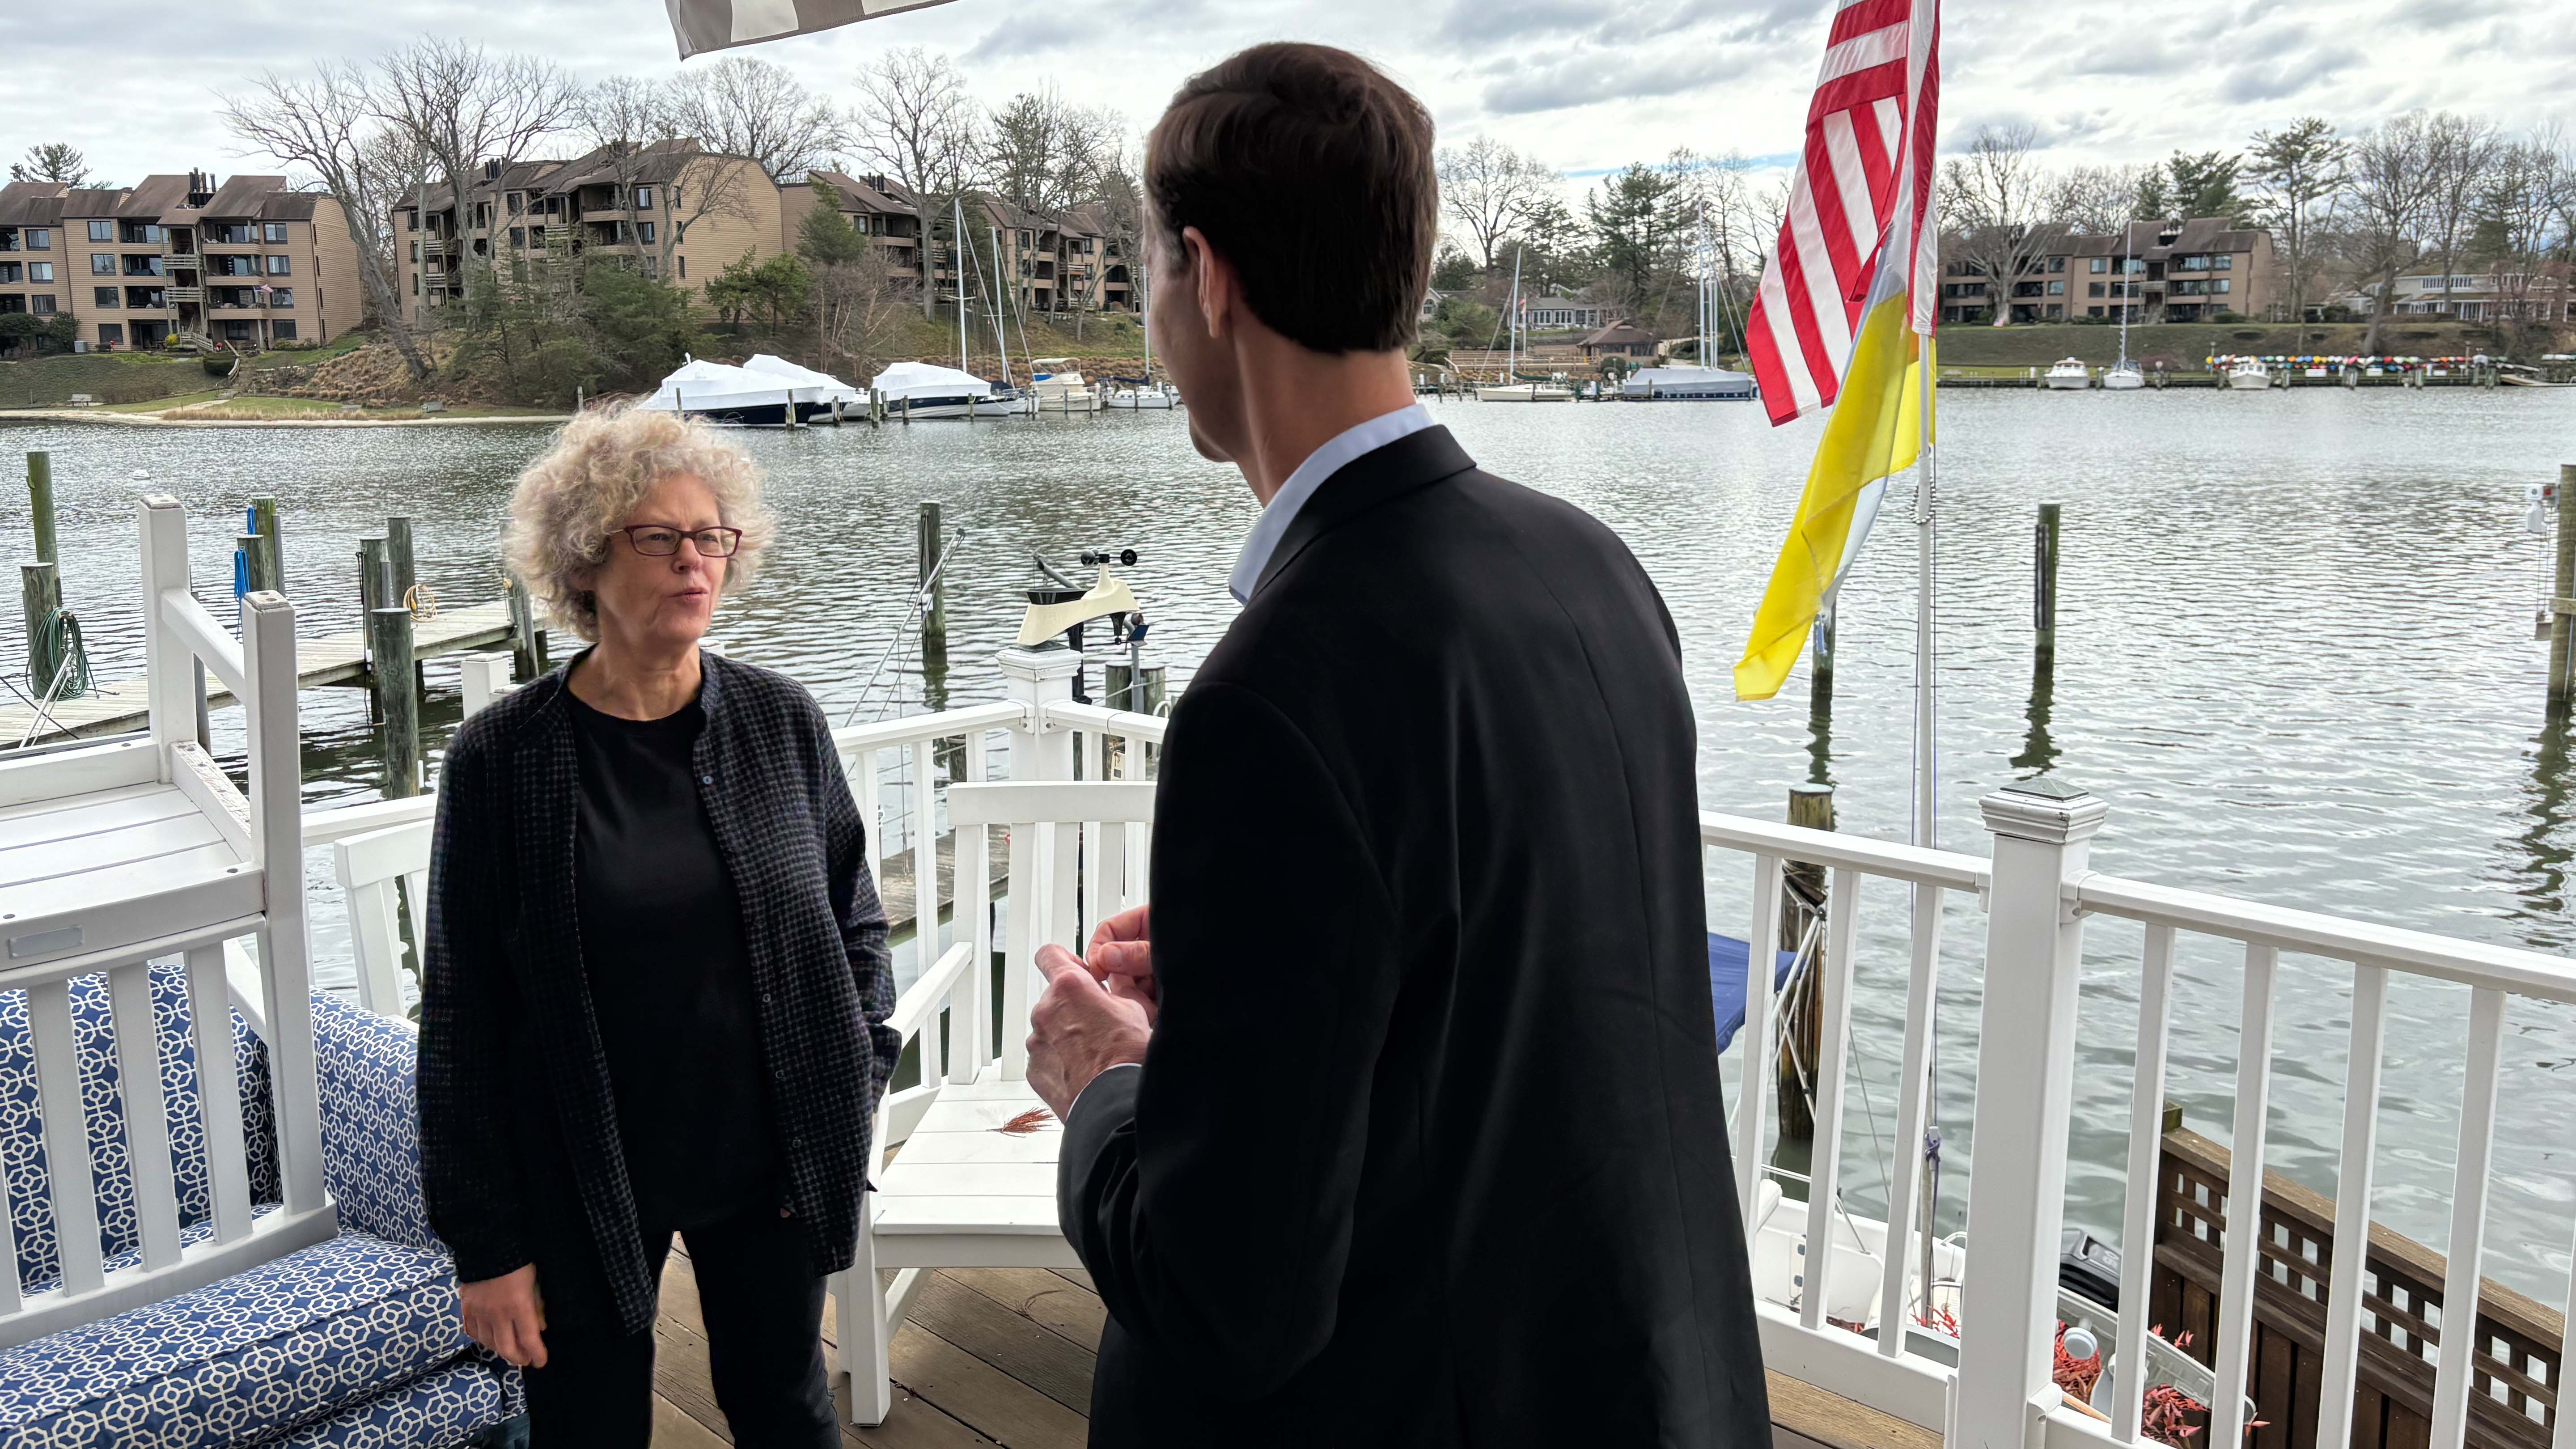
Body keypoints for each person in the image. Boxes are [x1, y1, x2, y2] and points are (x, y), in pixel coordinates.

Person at [1021, 41, 1771, 1449]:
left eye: (1147, 279)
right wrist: (1250, 982)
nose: (1150, 321)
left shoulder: (1273, 693)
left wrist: (1105, 1087)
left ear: (1210, 274)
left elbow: (1230, 1300)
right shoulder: (1592, 569)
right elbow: (1520, 996)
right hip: (1638, 1385)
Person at [418, 405, 902, 1448]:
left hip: (770, 1162)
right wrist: (485, 1248)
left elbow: (855, 922)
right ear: (586, 563)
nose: (696, 560)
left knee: (786, 1411)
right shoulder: (503, 758)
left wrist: (854, 1080)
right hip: (583, 1166)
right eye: (659, 537)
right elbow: (460, 1019)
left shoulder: (781, 720)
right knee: (588, 1428)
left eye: (711, 535)